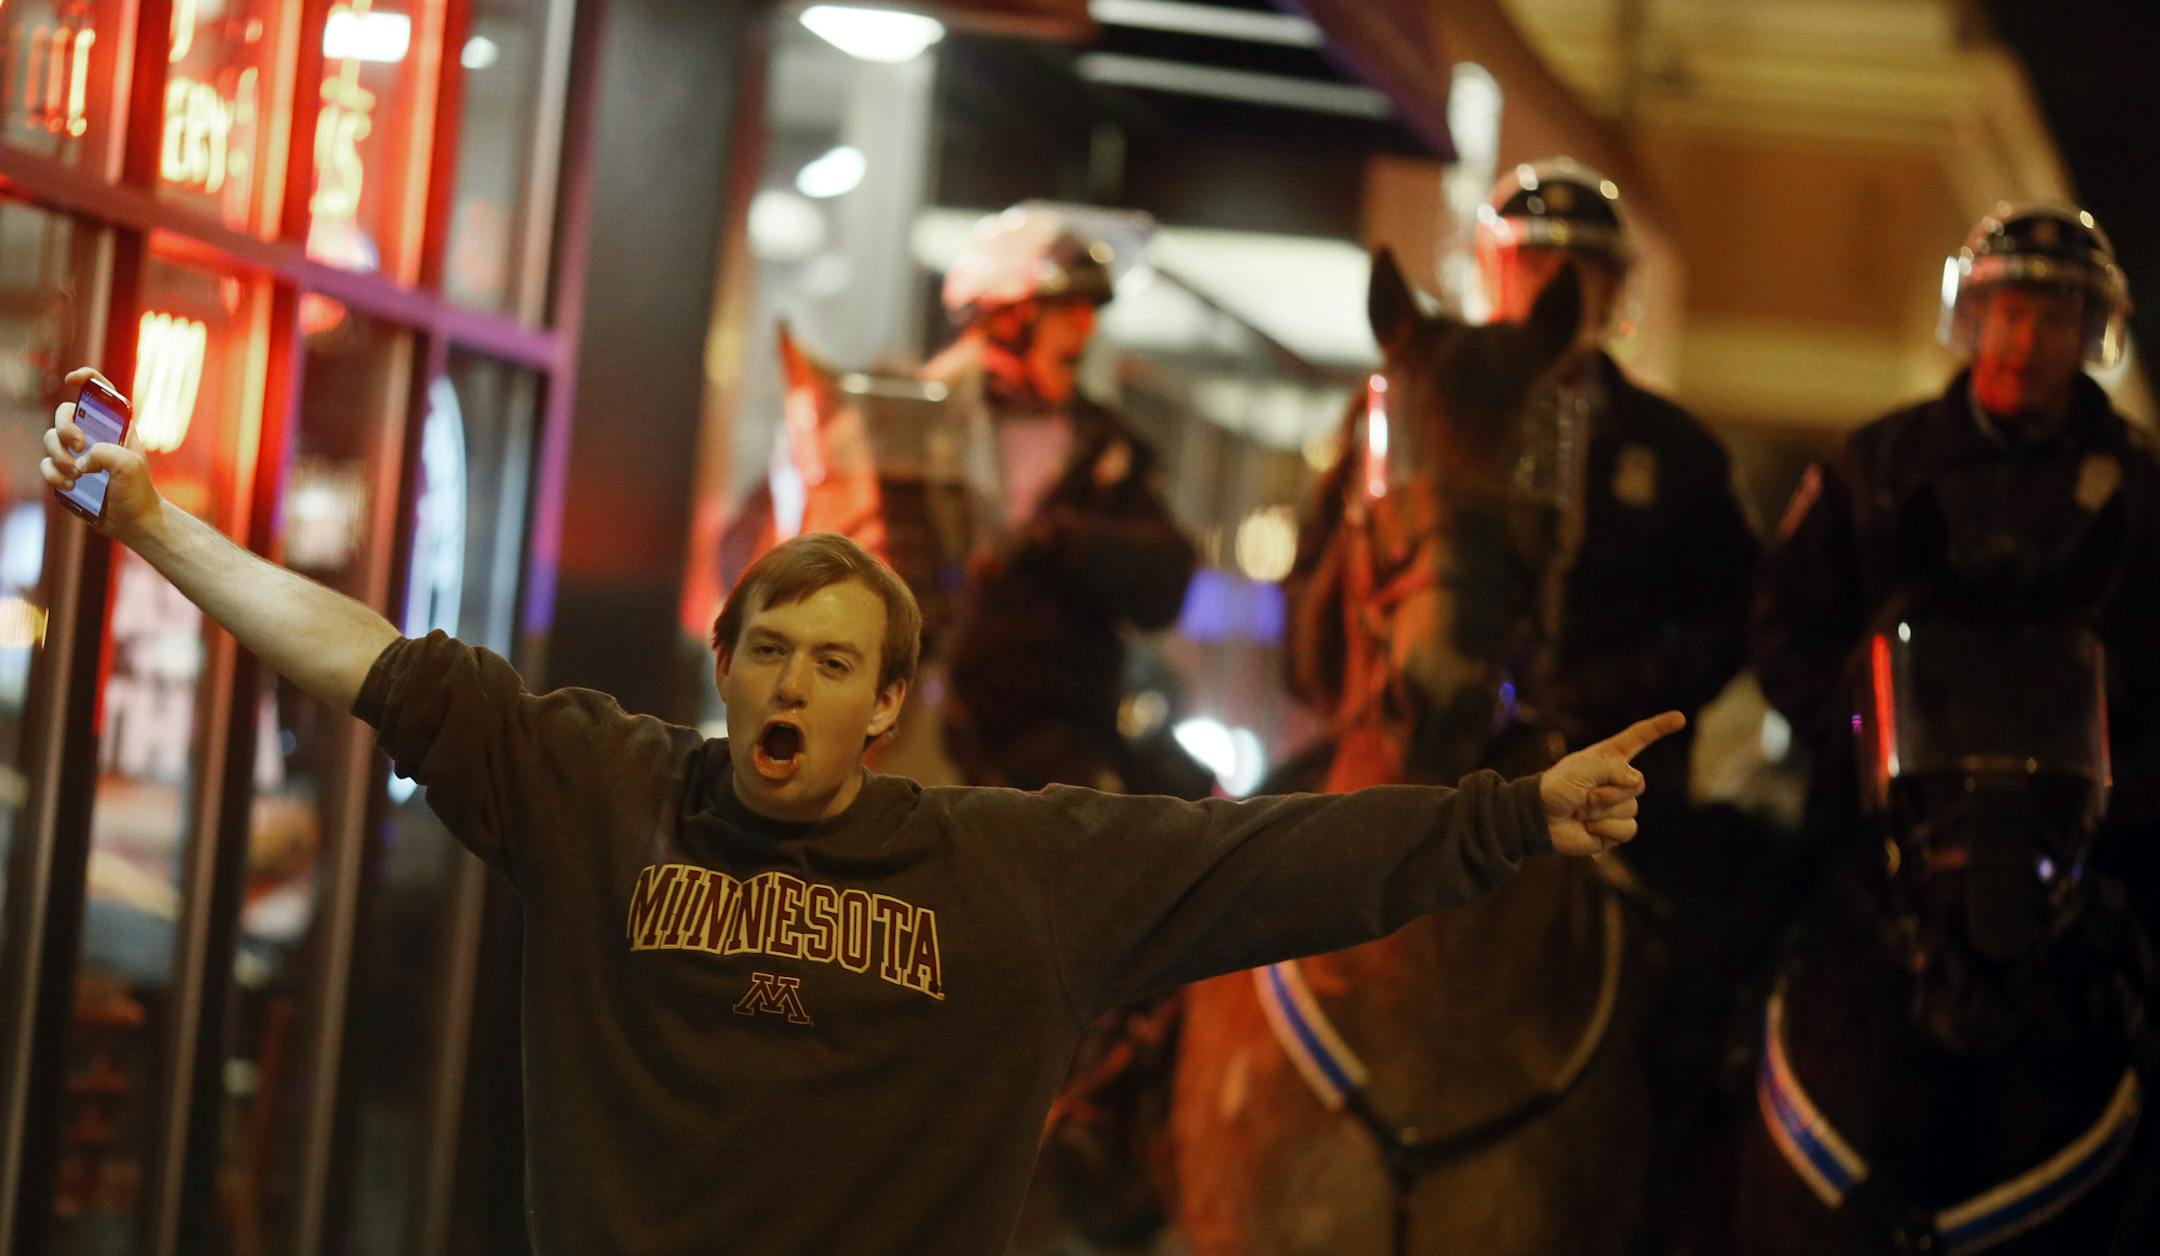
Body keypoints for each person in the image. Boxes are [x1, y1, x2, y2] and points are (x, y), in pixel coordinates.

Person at [41, 371, 1681, 1256]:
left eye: (836, 662)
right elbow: (367, 654)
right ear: (726, 666)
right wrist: (157, 525)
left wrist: (1518, 813)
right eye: (771, 651)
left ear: (887, 707)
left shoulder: (1014, 871)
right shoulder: (604, 787)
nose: (797, 685)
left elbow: (1286, 859)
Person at [1753, 203, 2160, 919]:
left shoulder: (2140, 483)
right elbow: (1783, 625)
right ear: (1975, 316)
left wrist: (2120, 780)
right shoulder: (1872, 465)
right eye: (2011, 314)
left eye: (2055, 321)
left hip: (2088, 845)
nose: (2026, 343)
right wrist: (1861, 737)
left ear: (2090, 335)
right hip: (1876, 834)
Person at [1474, 158, 1759, 870]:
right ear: (1496, 273)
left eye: (1581, 272)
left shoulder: (1676, 448)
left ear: (1615, 287)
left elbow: (1734, 612)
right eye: (1536, 266)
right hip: (1452, 761)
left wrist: (1625, 693)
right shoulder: (1438, 421)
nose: (1556, 294)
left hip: (1621, 782)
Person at [925, 205, 1205, 798]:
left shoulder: (1107, 446)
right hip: (913, 718)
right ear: (1005, 317)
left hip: (1055, 743)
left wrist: (1067, 539)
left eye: (1089, 311)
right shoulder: (914, 420)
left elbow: (1167, 582)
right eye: (1065, 309)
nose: (1085, 328)